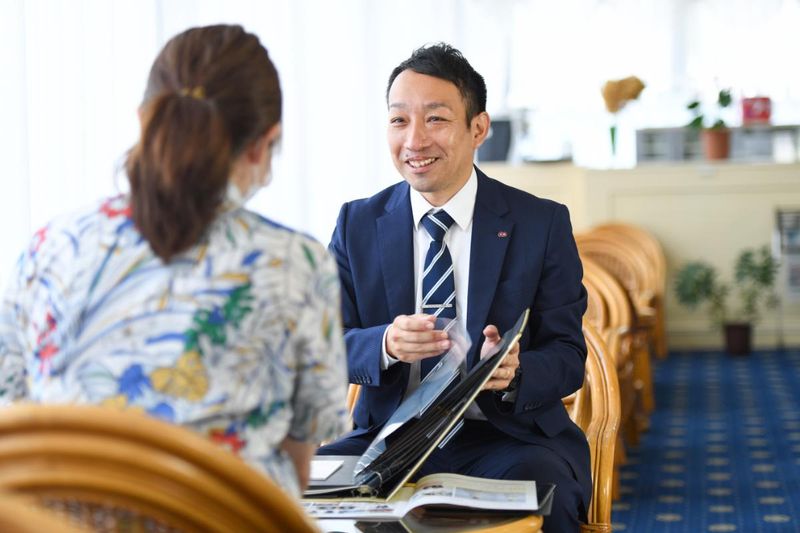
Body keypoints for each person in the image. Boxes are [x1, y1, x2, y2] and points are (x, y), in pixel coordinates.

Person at [0, 24, 348, 498]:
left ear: (143, 120)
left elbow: (15, 419)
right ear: (263, 143)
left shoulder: (50, 249)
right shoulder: (295, 265)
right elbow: (298, 463)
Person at [318, 43, 590, 530]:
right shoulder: (357, 223)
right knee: (281, 494)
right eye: (399, 120)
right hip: (386, 443)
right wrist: (385, 343)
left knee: (549, 497)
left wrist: (517, 371)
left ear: (478, 128)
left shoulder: (540, 223)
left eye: (436, 120)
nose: (414, 140)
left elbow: (568, 356)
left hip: (508, 441)